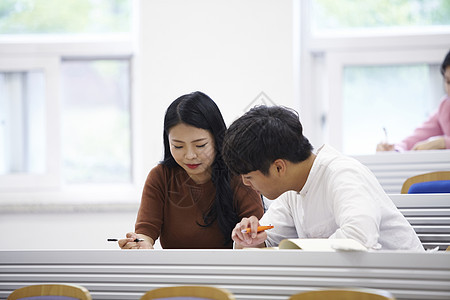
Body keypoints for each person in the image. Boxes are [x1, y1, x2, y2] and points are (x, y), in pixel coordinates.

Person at [222, 105, 424, 251]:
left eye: (248, 177)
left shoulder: (343, 174)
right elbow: (268, 240)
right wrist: (250, 239)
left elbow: (360, 239)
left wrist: (293, 250)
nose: (245, 184)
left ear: (278, 167)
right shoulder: (291, 189)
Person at [119, 91, 264, 249]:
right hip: (176, 272)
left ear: (217, 139)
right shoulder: (160, 177)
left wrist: (248, 238)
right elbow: (145, 233)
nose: (190, 155)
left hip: (228, 271)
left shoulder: (240, 175)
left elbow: (257, 237)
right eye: (178, 146)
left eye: (200, 145)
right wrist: (139, 244)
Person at [377, 50, 450, 152]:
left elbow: (443, 143)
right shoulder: (446, 107)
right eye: (448, 81)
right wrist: (395, 150)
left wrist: (443, 143)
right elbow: (414, 139)